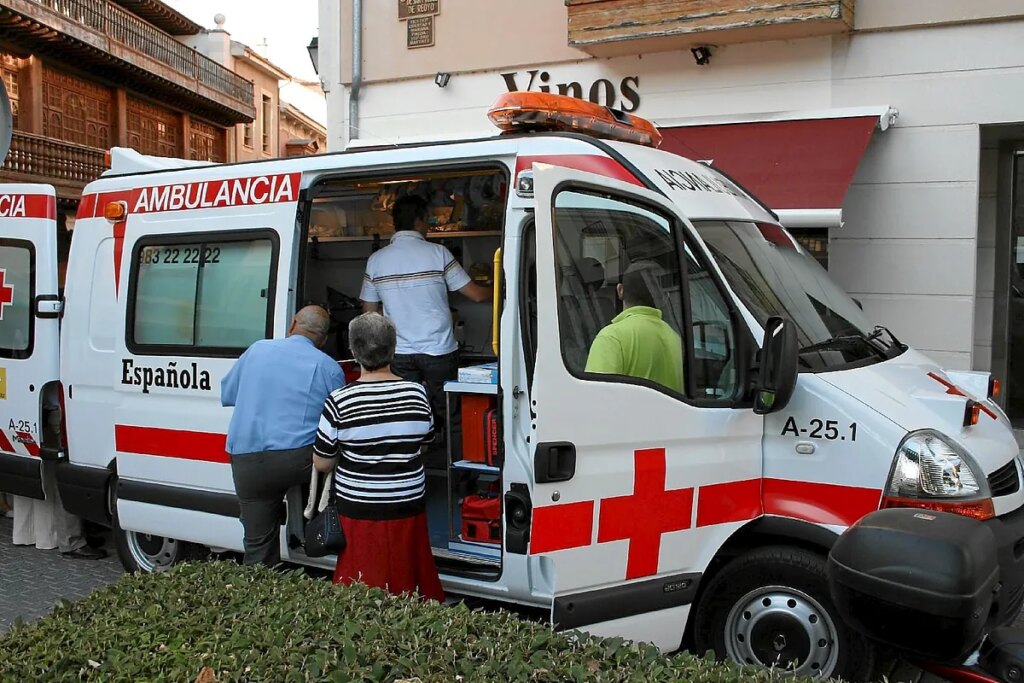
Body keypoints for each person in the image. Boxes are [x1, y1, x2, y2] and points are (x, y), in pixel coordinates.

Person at [313, 312, 444, 601]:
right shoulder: (418, 394)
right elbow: (425, 442)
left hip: (358, 507)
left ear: (354, 352)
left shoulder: (340, 400)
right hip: (408, 504)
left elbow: (322, 462)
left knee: (362, 586)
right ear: (394, 349)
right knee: (410, 578)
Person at [360, 195, 492, 446]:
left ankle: (411, 468)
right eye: (428, 219)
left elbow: (369, 313)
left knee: (406, 414)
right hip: (439, 351)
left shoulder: (376, 260)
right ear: (419, 221)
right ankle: (459, 478)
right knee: (451, 414)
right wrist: (503, 290)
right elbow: (475, 295)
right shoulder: (437, 253)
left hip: (398, 353)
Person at [221, 305, 345, 567]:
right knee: (335, 466)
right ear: (323, 340)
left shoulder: (257, 350)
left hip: (247, 458)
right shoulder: (328, 367)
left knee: (257, 544)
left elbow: (229, 395)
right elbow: (339, 422)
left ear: (292, 325)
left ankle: (261, 587)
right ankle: (321, 534)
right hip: (297, 460)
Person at [585, 262, 685, 393]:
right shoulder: (675, 338)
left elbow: (595, 397)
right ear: (664, 297)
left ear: (620, 290)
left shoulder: (612, 337)